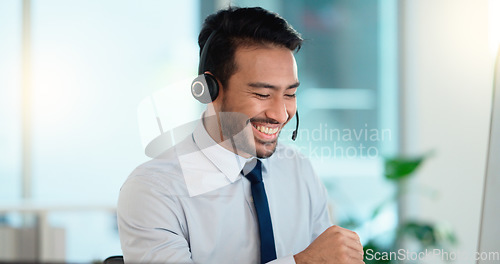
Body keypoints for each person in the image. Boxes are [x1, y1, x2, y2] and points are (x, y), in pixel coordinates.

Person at [117, 6, 364, 264]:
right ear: (208, 90)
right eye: (262, 95)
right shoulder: (154, 190)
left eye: (290, 94)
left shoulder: (297, 169)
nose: (280, 114)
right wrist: (301, 262)